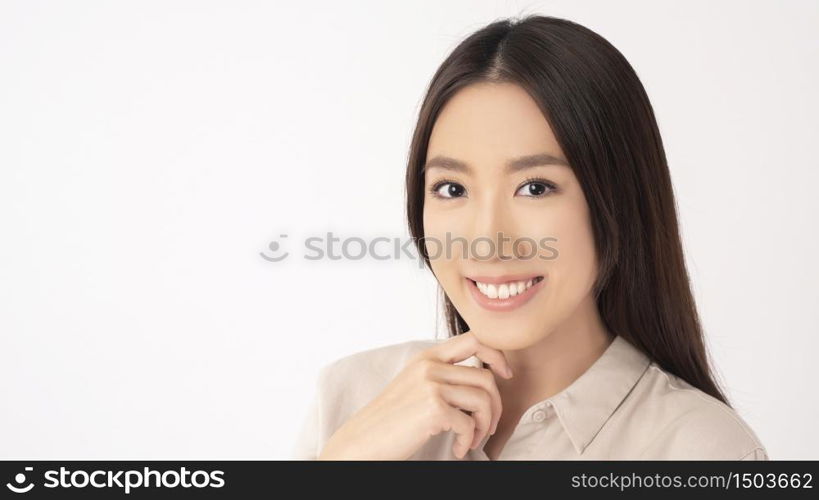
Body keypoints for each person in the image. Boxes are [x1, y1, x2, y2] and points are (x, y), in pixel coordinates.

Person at [291, 14, 768, 461]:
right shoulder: (351, 397)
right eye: (452, 188)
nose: (486, 239)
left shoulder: (701, 451)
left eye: (535, 187)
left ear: (617, 204)